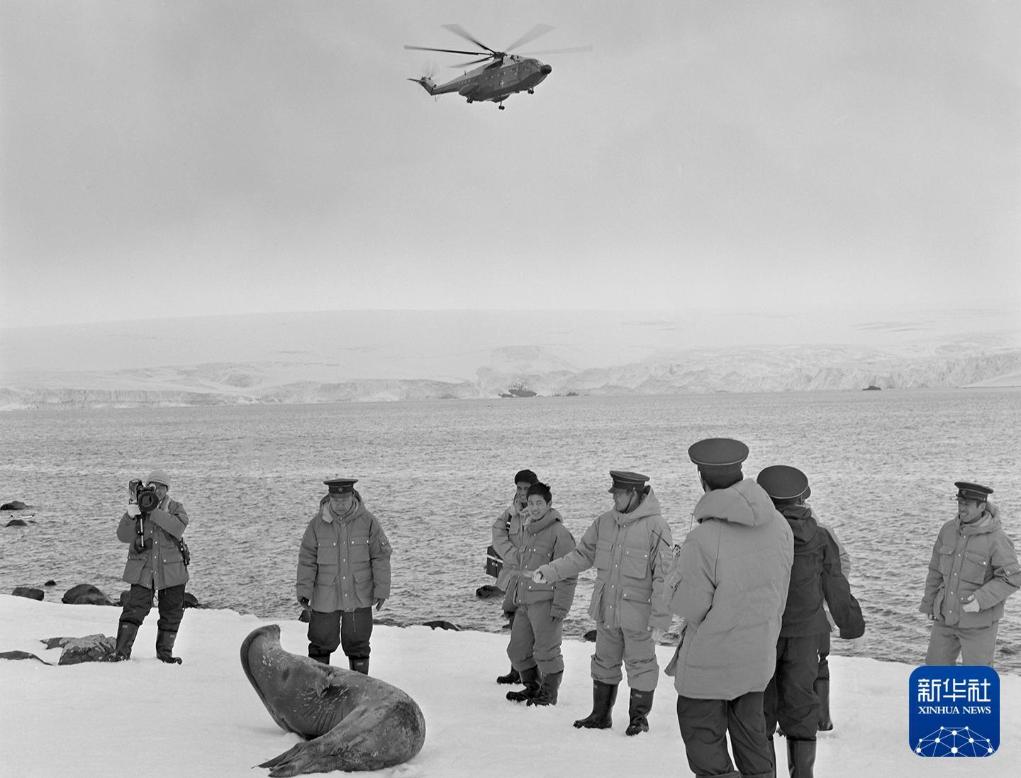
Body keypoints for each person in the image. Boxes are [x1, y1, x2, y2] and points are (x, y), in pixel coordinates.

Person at [663, 438, 793, 778]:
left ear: (702, 480)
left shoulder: (703, 538)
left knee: (706, 749)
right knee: (753, 744)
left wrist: (675, 571)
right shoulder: (779, 525)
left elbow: (689, 606)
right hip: (756, 656)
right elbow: (780, 589)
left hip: (710, 664)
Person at [533, 470, 673, 736]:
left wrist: (660, 620)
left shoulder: (657, 527)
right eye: (614, 493)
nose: (614, 498)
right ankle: (600, 716)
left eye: (618, 493)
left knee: (641, 665)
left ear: (634, 494)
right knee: (603, 662)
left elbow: (664, 577)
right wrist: (549, 571)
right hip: (606, 610)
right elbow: (581, 555)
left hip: (638, 615)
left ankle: (638, 720)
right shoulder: (604, 522)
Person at [757, 465, 865, 778]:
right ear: (801, 499)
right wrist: (851, 624)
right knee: (801, 705)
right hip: (805, 635)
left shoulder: (753, 534)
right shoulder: (819, 536)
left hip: (763, 633)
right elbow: (835, 583)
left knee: (760, 708)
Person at [920, 481, 1021, 666]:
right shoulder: (947, 530)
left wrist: (980, 600)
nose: (961, 508)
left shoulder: (997, 539)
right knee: (934, 671)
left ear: (981, 506)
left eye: (967, 504)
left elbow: (1012, 578)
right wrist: (929, 604)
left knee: (977, 676)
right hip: (945, 618)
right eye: (960, 502)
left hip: (979, 624)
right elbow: (935, 570)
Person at [297, 478, 392, 674]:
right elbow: (307, 560)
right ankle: (318, 685)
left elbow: (380, 557)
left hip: (359, 596)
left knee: (358, 645)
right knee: (320, 643)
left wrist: (382, 590)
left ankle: (359, 684)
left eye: (344, 500)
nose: (340, 505)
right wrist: (304, 591)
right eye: (336, 500)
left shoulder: (369, 522)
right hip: (324, 596)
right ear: (329, 499)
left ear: (353, 497)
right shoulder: (316, 525)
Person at [504, 481, 577, 706]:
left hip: (546, 602)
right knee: (517, 650)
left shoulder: (560, 534)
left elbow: (568, 573)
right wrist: (512, 600)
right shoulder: (528, 531)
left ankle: (548, 694)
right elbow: (520, 569)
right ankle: (532, 686)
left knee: (547, 651)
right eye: (531, 503)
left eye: (539, 503)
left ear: (549, 504)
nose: (534, 507)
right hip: (524, 601)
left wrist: (561, 608)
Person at [112, 469, 190, 664]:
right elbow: (123, 536)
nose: (158, 491)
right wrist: (130, 515)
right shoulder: (138, 508)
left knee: (172, 612)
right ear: (148, 488)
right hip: (144, 569)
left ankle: (165, 655)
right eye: (154, 487)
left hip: (171, 570)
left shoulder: (175, 508)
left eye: (162, 487)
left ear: (167, 489)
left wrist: (153, 511)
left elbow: (178, 527)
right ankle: (121, 653)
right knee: (134, 609)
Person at [492, 468, 539, 685]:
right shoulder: (511, 513)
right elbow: (497, 532)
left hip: (532, 578)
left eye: (525, 488)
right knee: (513, 623)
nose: (521, 492)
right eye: (518, 488)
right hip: (513, 577)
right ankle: (516, 670)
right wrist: (513, 555)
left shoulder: (540, 512)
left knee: (531, 627)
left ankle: (532, 674)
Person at [813, 521, 850, 731]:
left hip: (818, 610)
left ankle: (823, 719)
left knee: (820, 659)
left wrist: (829, 598)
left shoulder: (822, 529)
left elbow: (844, 561)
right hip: (798, 609)